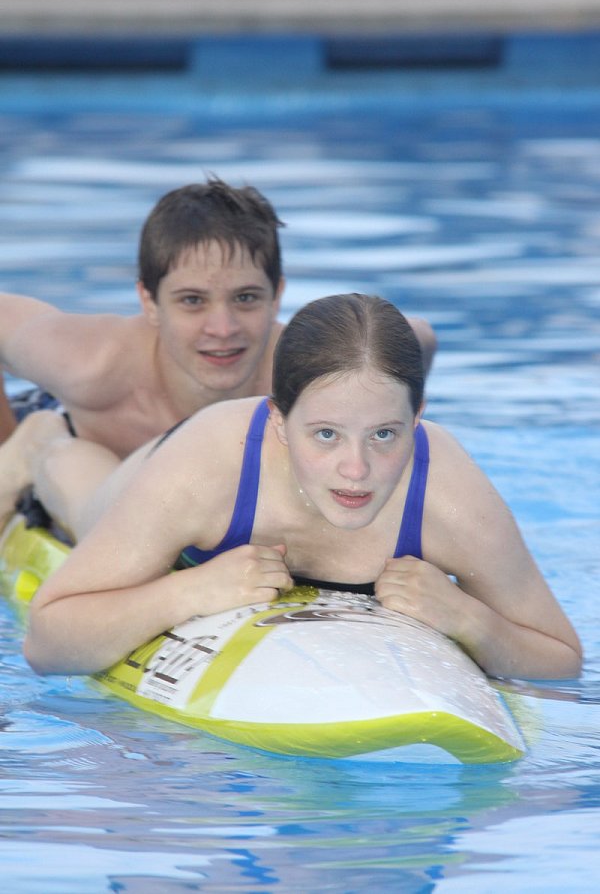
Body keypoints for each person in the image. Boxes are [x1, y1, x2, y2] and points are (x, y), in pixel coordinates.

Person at [21, 294, 581, 683]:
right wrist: (185, 594)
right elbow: (46, 643)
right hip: (165, 462)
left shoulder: (449, 496)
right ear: (279, 421)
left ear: (418, 421)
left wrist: (470, 620)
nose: (355, 469)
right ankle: (42, 441)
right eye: (326, 435)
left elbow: (561, 657)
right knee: (79, 499)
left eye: (384, 434)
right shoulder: (210, 469)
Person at [0, 179, 437, 453]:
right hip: (63, 427)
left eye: (246, 298)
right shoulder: (91, 367)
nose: (223, 329)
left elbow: (419, 338)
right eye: (192, 301)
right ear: (149, 302)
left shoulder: (309, 367)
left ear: (277, 295)